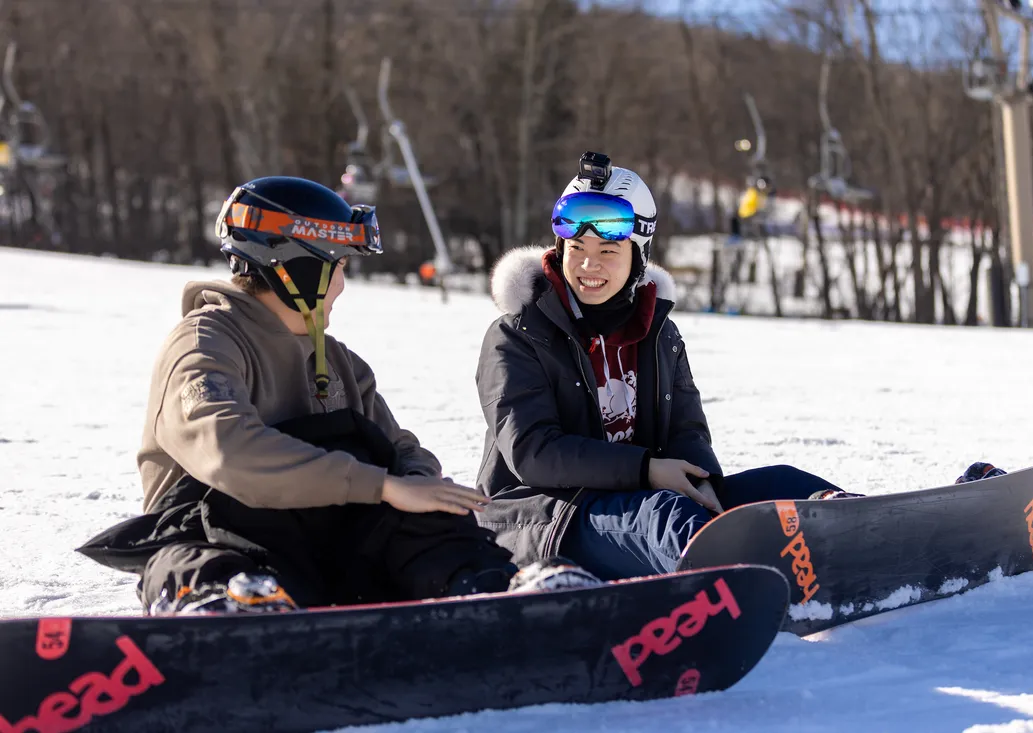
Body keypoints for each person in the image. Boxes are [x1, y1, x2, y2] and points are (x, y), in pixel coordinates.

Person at [78, 176, 599, 614]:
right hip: (222, 530)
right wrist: (378, 486)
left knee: (416, 512)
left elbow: (403, 451)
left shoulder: (341, 361)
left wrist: (416, 489)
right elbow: (226, 449)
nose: (342, 287)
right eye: (339, 267)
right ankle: (218, 605)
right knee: (191, 545)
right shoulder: (204, 343)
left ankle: (488, 592)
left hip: (322, 544)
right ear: (296, 266)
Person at [472, 152, 869, 581]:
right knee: (665, 517)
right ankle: (743, 583)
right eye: (577, 249)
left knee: (782, 484)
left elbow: (686, 431)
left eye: (608, 250)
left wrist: (700, 480)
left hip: (639, 495)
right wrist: (646, 469)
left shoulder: (658, 332)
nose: (590, 265)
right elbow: (534, 452)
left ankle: (866, 532)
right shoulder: (517, 334)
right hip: (544, 518)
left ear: (638, 255)